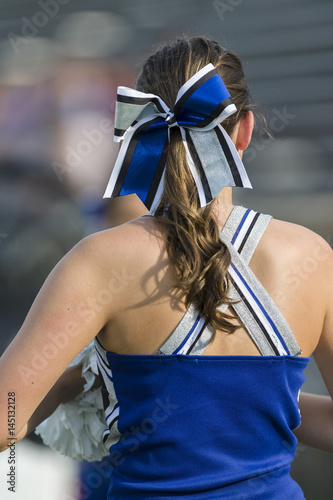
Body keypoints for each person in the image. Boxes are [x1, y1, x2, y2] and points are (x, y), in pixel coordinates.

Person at [0, 36, 333, 499]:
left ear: (137, 134)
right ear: (245, 131)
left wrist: (67, 381)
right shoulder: (312, 257)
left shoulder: (98, 261)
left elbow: (5, 419)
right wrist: (254, 400)